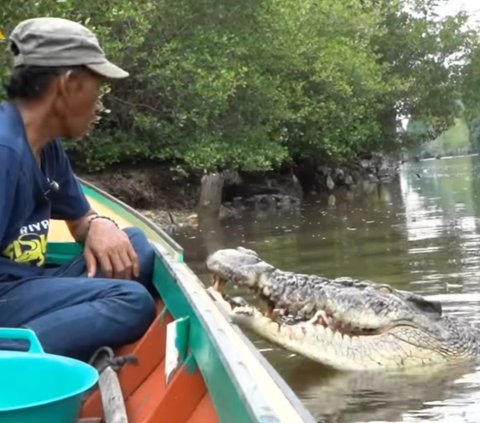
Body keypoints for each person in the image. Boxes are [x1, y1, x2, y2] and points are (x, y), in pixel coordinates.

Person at [0, 17, 157, 361]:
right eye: (96, 88)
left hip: (22, 282)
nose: (98, 106)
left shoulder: (45, 145)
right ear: (69, 85)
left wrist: (99, 224)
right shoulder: (4, 152)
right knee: (133, 301)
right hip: (5, 296)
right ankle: (16, 355)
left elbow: (80, 218)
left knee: (135, 249)